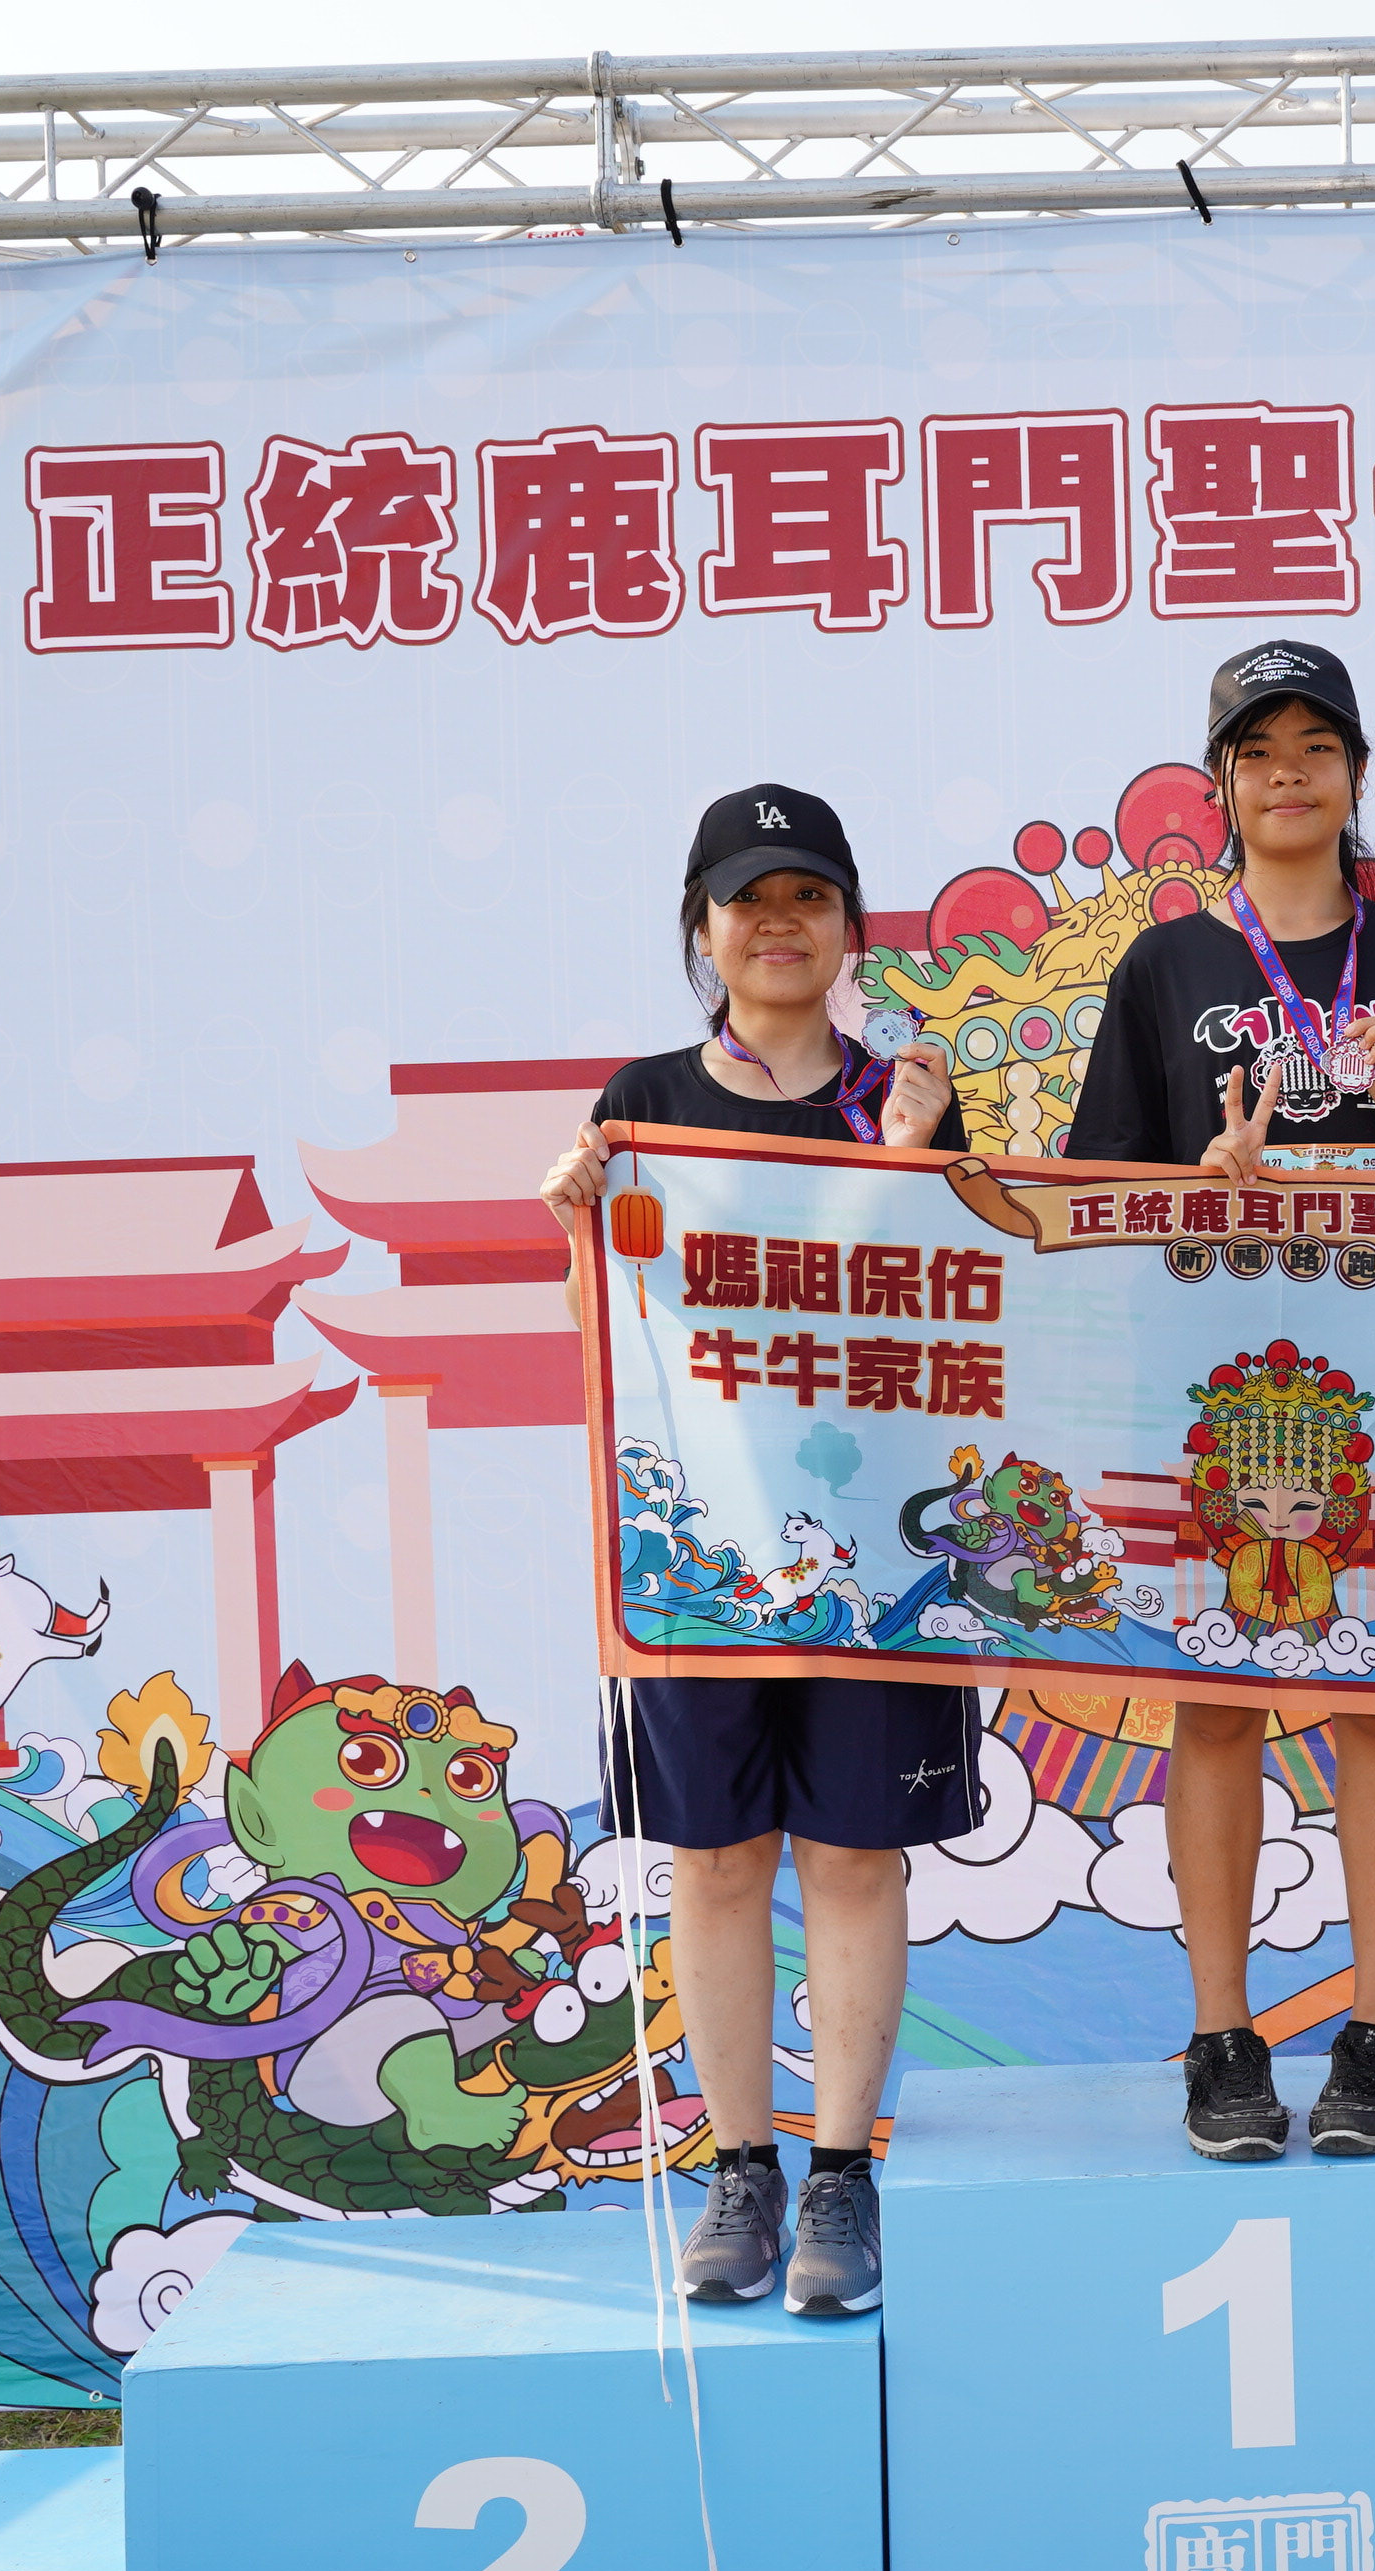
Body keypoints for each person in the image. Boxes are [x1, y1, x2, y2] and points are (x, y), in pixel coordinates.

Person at [537, 781, 973, 2317]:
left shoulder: (909, 1097)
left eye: (808, 897)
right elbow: (611, 1338)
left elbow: (960, 1314)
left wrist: (916, 1161)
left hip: (874, 1564)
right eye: (748, 900)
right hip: (700, 1557)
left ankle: (842, 2171)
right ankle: (742, 2167)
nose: (778, 924)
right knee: (716, 1861)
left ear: (850, 927)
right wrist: (576, 1230)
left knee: (853, 1857)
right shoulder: (644, 1102)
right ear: (702, 928)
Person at [1063, 640, 1375, 2160]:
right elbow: (1097, 1198)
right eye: (1259, 751)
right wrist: (1205, 1180)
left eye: (1319, 747)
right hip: (1214, 1384)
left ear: (1358, 774)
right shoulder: (1169, 966)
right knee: (1215, 1702)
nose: (1290, 773)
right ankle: (1221, 2036)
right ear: (1222, 787)